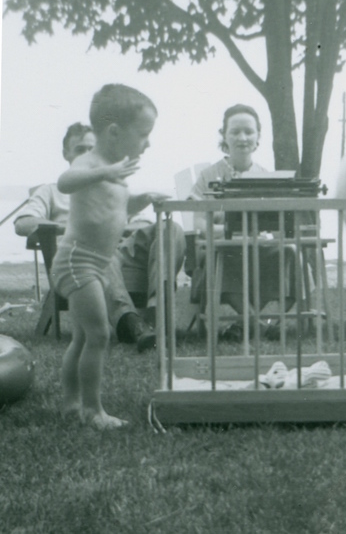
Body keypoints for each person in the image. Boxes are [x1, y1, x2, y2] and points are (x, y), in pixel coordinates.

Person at [14, 122, 185, 352]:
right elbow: (23, 224)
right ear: (66, 154)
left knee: (170, 228)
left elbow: (143, 223)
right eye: (80, 149)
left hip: (120, 255)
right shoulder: (53, 191)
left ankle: (158, 314)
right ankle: (130, 323)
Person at [51, 83, 164, 429]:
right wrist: (104, 173)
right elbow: (65, 181)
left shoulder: (117, 169)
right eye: (143, 134)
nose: (148, 142)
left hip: (97, 265)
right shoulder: (92, 162)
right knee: (100, 335)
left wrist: (140, 199)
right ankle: (92, 410)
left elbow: (114, 210)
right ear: (114, 132)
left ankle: (71, 403)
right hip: (76, 261)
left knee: (83, 337)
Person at [188, 104, 291, 338]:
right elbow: (199, 224)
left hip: (258, 249)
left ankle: (250, 323)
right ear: (224, 136)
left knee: (291, 253)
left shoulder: (266, 177)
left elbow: (274, 225)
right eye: (234, 132)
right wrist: (230, 233)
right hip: (220, 248)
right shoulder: (208, 176)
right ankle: (259, 325)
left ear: (258, 137)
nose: (242, 138)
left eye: (249, 131)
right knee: (228, 253)